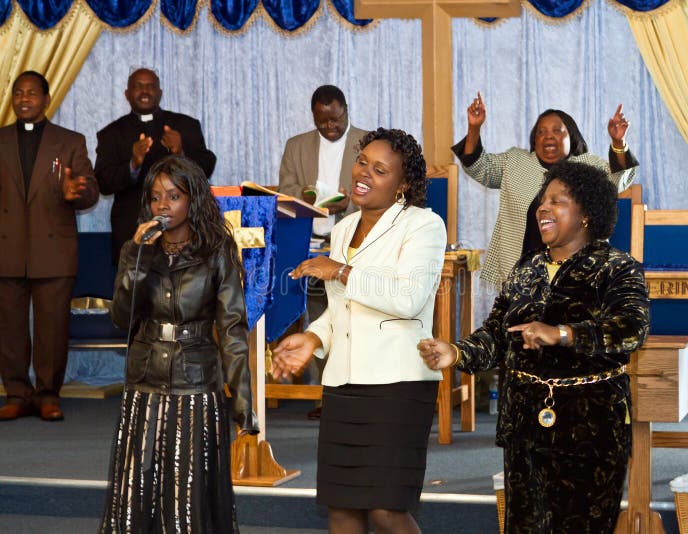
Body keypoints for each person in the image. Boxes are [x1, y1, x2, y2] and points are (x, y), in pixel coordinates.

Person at [418, 161, 650, 533]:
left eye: (557, 201)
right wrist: (456, 353)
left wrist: (562, 333)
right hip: (525, 420)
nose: (543, 208)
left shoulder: (615, 267)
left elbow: (631, 329)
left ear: (587, 213)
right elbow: (496, 334)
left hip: (591, 424)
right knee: (524, 525)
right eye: (542, 201)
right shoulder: (526, 269)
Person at [271, 128, 446, 534]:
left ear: (402, 185)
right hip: (344, 382)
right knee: (343, 508)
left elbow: (408, 299)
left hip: (397, 383)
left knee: (387, 511)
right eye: (362, 161)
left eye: (379, 169)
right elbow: (339, 310)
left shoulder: (423, 225)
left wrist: (343, 270)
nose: (363, 173)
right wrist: (313, 339)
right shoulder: (343, 229)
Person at [99, 156, 257, 533]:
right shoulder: (136, 249)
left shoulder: (217, 251)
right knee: (138, 487)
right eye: (156, 197)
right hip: (146, 379)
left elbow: (232, 329)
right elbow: (122, 319)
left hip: (195, 383)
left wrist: (243, 400)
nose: (163, 206)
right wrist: (135, 262)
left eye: (173, 196)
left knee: (187, 493)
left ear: (193, 199)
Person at [452, 92, 639, 288]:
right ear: (534, 139)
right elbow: (479, 167)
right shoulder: (514, 162)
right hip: (520, 274)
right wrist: (474, 127)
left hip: (578, 276)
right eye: (541, 132)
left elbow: (618, 180)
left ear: (571, 137)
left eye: (557, 131)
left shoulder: (588, 166)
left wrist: (618, 143)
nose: (548, 136)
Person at [0, 70, 99, 421]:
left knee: (52, 328)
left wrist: (78, 192)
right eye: (18, 93)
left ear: (45, 99)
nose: (24, 99)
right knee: (9, 327)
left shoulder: (70, 141)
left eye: (31, 93)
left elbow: (90, 190)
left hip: (53, 249)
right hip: (7, 248)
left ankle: (47, 394)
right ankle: (16, 392)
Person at [278, 84, 368, 419]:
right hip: (309, 243)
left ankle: (356, 393)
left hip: (354, 242)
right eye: (322, 121)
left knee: (355, 316)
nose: (329, 126)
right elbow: (286, 191)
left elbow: (378, 187)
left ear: (345, 109)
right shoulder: (296, 146)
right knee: (319, 318)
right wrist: (310, 196)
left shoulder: (368, 142)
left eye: (335, 119)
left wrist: (351, 201)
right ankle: (326, 395)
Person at [95, 68, 217, 264]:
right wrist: (133, 164)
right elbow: (103, 182)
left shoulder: (185, 125)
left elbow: (206, 167)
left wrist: (181, 154)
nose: (145, 91)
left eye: (151, 86)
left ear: (160, 92)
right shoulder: (111, 134)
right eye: (138, 86)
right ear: (127, 94)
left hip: (184, 232)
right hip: (131, 232)